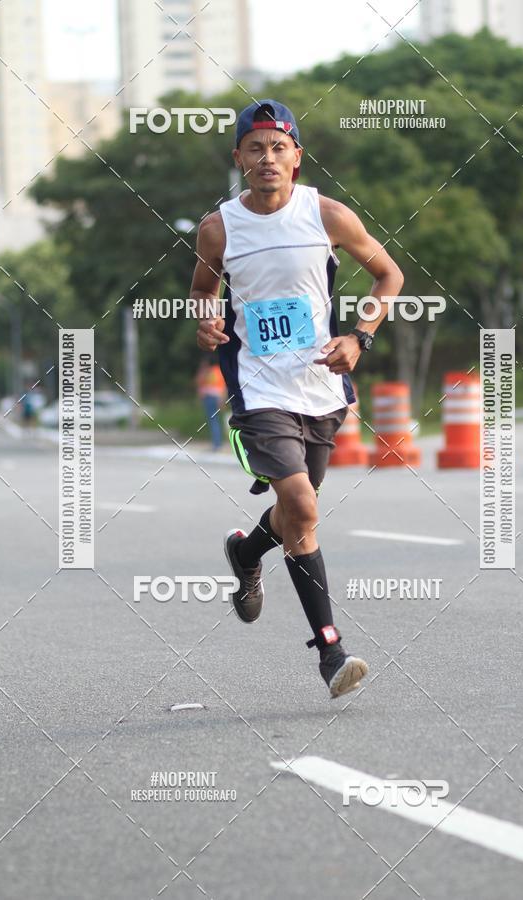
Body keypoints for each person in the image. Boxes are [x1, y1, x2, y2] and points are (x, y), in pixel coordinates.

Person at [191, 99, 404, 698]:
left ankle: (246, 552)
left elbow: (390, 275)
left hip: (321, 388)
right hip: (259, 390)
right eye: (255, 148)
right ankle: (331, 651)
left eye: (278, 147)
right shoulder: (218, 228)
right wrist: (206, 320)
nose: (267, 158)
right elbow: (204, 288)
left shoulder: (327, 215)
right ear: (239, 158)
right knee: (303, 506)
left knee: (297, 515)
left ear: (296, 158)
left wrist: (360, 336)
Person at [196, 356, 226, 450]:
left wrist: (202, 369)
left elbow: (198, 382)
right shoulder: (219, 370)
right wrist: (222, 399)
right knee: (216, 420)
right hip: (218, 397)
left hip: (209, 397)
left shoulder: (206, 371)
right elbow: (224, 385)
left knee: (213, 421)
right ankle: (218, 442)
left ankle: (216, 444)